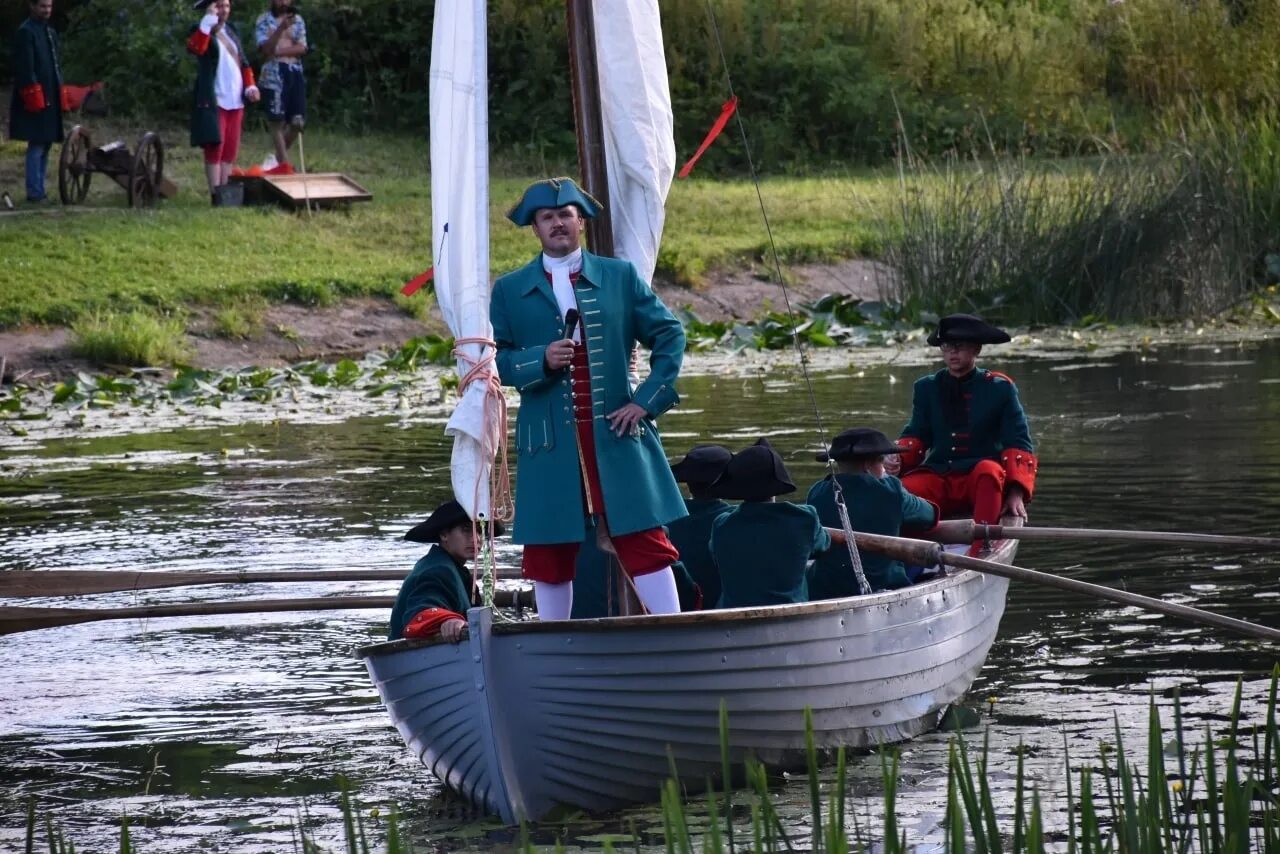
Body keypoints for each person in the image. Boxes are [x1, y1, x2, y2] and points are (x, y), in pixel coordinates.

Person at [491, 177, 688, 621]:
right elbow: (499, 364)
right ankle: (551, 641)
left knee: (643, 536)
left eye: (565, 215)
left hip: (616, 432)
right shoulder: (509, 289)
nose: (557, 223)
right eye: (547, 217)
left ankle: (675, 629)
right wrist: (540, 359)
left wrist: (646, 400)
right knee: (549, 547)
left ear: (580, 221)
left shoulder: (619, 276)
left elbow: (669, 334)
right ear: (535, 228)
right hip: (550, 439)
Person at [886, 314, 1038, 554]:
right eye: (946, 347)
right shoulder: (927, 388)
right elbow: (918, 434)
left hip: (979, 480)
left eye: (959, 346)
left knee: (990, 471)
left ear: (976, 349)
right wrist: (897, 459)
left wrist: (1016, 493)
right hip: (940, 475)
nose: (952, 353)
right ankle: (908, 555)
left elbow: (1018, 441)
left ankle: (980, 551)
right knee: (897, 492)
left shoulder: (999, 388)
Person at [807, 427, 939, 597]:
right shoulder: (892, 491)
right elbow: (929, 516)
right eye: (881, 461)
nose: (884, 468)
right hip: (883, 586)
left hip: (826, 590)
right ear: (868, 465)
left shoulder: (816, 493)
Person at [708, 439, 832, 609]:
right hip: (792, 614)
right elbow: (823, 544)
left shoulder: (722, 524)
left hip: (733, 620)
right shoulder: (805, 518)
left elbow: (715, 555)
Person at [388, 500, 499, 643]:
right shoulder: (438, 569)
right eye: (466, 529)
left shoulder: (450, 566)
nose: (476, 538)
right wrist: (447, 621)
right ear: (444, 535)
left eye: (479, 530)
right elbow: (420, 610)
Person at [187, 0, 260, 204]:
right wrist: (208, 21)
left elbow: (243, 62)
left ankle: (226, 193)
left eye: (226, 6)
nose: (224, 10)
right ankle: (215, 194)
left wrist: (250, 86)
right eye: (219, 5)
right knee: (215, 148)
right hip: (215, 99)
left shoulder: (232, 30)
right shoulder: (201, 30)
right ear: (210, 8)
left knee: (230, 149)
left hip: (236, 99)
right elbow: (197, 48)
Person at [571, 518, 702, 618]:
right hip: (627, 638)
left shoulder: (564, 532)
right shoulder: (640, 526)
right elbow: (688, 599)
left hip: (571, 639)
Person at [666, 444, 732, 609]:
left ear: (687, 483)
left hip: (681, 607)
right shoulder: (734, 519)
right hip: (724, 608)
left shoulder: (666, 521)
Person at [8, 0, 62, 204]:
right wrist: (34, 96)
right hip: (35, 96)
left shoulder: (49, 32)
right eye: (42, 6)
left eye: (49, 6)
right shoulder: (26, 32)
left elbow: (55, 64)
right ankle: (34, 192)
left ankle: (39, 189)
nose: (47, 10)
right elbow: (25, 68)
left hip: (50, 94)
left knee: (46, 142)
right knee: (37, 143)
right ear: (32, 6)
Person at [254, 0, 308, 171]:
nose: (283, 2)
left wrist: (277, 51)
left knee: (298, 122)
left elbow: (301, 48)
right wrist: (280, 29)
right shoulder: (263, 20)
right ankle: (286, 166)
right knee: (276, 121)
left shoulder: (297, 20)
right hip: (273, 74)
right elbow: (264, 49)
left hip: (294, 71)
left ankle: (275, 162)